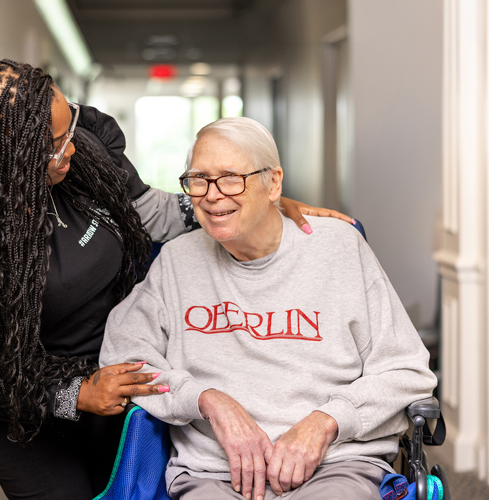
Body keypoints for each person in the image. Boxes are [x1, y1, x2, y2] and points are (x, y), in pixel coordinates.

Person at [0, 60, 351, 500]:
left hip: (115, 371)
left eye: (68, 129)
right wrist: (77, 394)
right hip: (16, 403)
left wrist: (257, 205)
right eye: (53, 144)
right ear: (9, 156)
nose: (69, 147)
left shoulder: (81, 158)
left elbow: (159, 215)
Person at [100, 117, 437, 500]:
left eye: (230, 177)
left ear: (273, 183)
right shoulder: (178, 261)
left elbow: (405, 370)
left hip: (337, 465)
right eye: (199, 178)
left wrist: (327, 421)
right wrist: (204, 399)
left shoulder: (339, 249)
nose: (211, 195)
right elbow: (124, 357)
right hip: (213, 472)